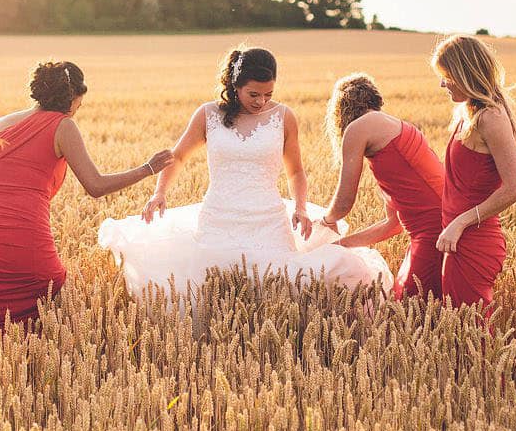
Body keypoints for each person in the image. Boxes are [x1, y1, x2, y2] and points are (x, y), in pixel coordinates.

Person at [97, 46, 391, 297]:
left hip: (268, 220)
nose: (261, 101)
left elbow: (296, 172)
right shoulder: (207, 115)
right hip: (219, 218)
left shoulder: (284, 117)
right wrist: (159, 193)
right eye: (253, 93)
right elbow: (178, 157)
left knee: (278, 283)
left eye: (268, 93)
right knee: (213, 283)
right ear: (234, 85)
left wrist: (301, 207)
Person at [0, 60, 173, 334]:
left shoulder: (1, 123)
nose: (77, 110)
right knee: (48, 317)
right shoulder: (63, 126)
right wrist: (148, 169)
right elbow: (95, 186)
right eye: (79, 103)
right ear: (71, 97)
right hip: (25, 238)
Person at [317, 72, 446, 299]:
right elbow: (393, 225)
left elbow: (344, 203)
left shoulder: (358, 128)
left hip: (431, 233)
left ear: (341, 112)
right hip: (444, 226)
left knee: (409, 307)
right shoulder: (396, 128)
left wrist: (325, 221)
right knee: (422, 308)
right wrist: (343, 244)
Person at [431, 35, 516, 318]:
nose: (442, 84)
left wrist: (460, 222)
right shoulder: (467, 113)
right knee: (460, 331)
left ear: (464, 73)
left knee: (474, 335)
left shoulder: (490, 118)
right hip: (456, 236)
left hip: (473, 240)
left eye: (446, 77)